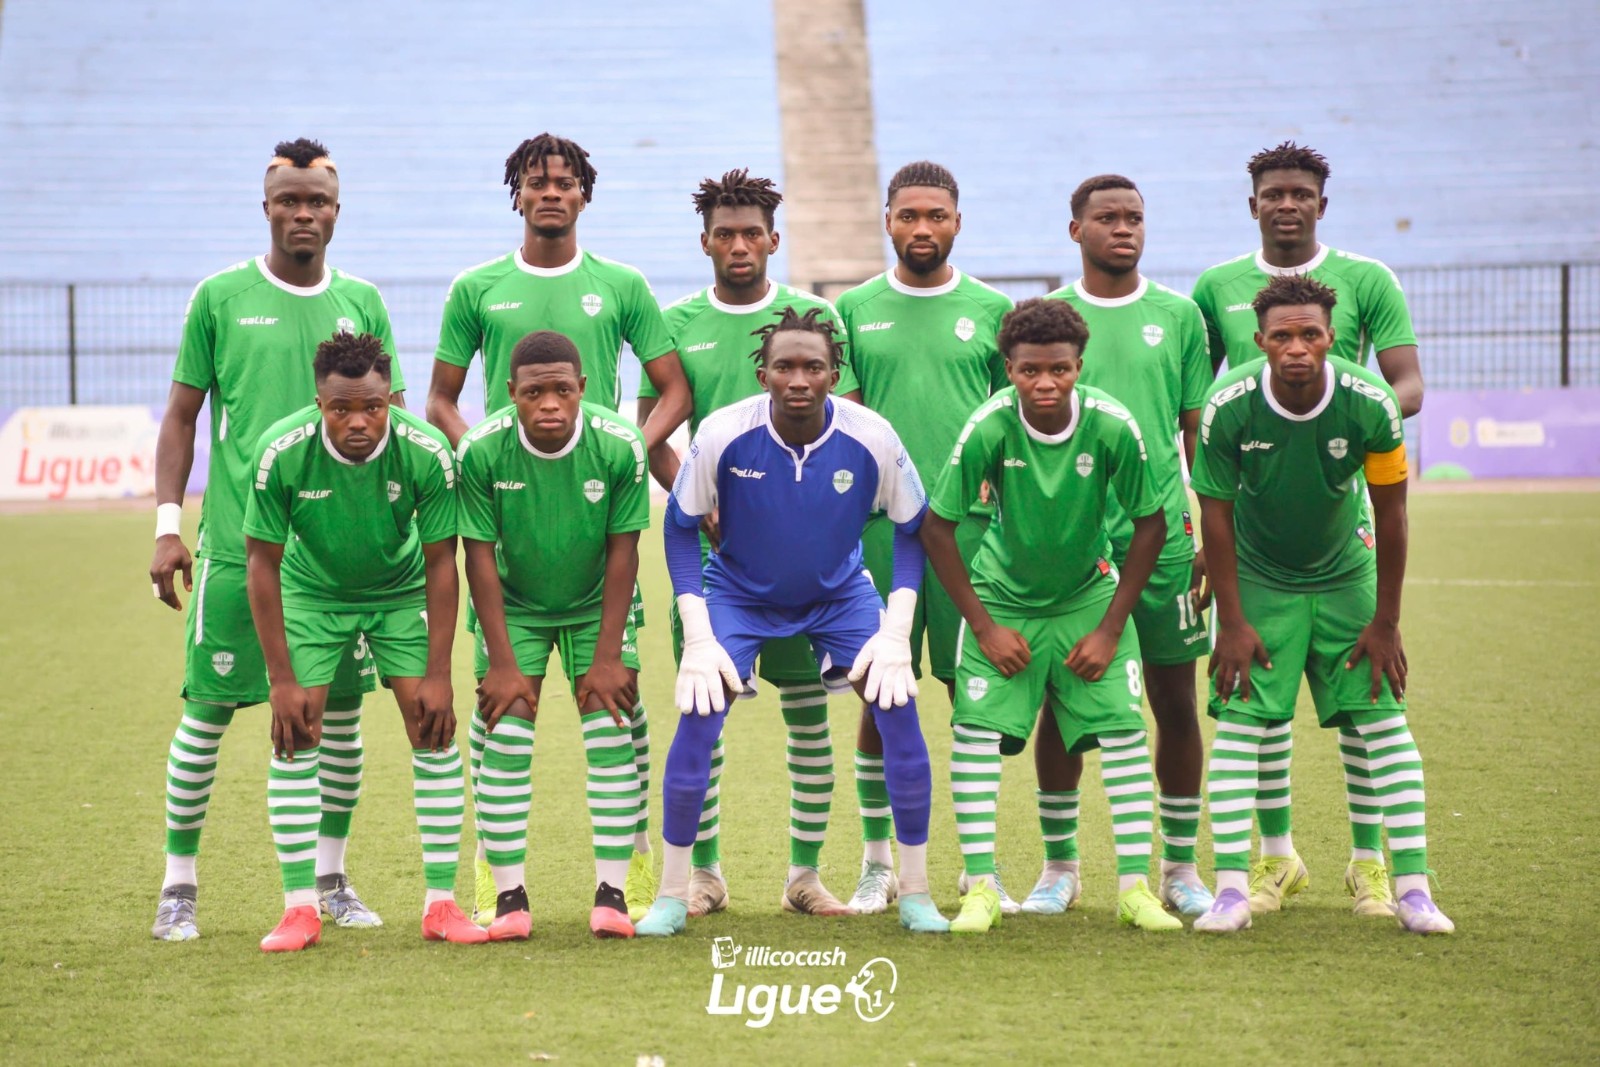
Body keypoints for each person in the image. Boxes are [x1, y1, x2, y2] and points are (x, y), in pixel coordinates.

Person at [148, 138, 403, 941]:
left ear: (337, 211)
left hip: (336, 562)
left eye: (316, 201)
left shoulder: (362, 300)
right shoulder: (220, 296)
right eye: (289, 200)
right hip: (238, 548)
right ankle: (178, 885)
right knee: (208, 715)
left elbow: (389, 422)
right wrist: (167, 525)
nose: (303, 213)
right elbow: (182, 417)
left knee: (340, 721)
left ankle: (330, 879)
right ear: (267, 207)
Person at [425, 132, 684, 920]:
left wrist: (622, 454)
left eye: (564, 182)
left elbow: (673, 389)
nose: (549, 193)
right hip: (512, 522)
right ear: (517, 194)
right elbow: (439, 400)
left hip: (594, 506)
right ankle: (495, 869)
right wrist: (487, 457)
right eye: (535, 182)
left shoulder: (622, 283)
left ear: (583, 195)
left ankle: (628, 864)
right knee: (502, 719)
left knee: (619, 717)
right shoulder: (476, 287)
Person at [634, 307, 948, 936]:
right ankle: (673, 894)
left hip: (839, 594)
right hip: (738, 593)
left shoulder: (872, 435)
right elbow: (679, 526)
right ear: (763, 374)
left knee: (898, 707)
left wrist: (895, 631)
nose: (799, 379)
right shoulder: (723, 432)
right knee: (699, 716)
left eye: (813, 367)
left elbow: (913, 527)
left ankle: (915, 891)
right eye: (785, 367)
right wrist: (699, 635)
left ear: (834, 374)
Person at [1191, 142, 1426, 916]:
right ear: (1252, 203)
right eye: (1273, 193)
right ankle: (1274, 857)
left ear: (1322, 203)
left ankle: (1371, 863)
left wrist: (1354, 415)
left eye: (1300, 193)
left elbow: (1405, 383)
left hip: (1339, 524)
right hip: (1250, 528)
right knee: (1258, 706)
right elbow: (1205, 402)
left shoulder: (1367, 279)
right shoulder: (1216, 287)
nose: (1286, 204)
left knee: (1365, 710)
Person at [636, 169, 861, 918]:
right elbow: (653, 429)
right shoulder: (675, 322)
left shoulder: (816, 317)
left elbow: (847, 427)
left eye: (752, 233)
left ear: (774, 239)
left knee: (808, 714)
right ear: (704, 242)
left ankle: (805, 875)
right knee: (706, 712)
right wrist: (694, 499)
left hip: (803, 556)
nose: (739, 245)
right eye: (725, 234)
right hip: (715, 561)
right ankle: (703, 875)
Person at [922, 298, 1181, 933]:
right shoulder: (989, 426)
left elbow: (1151, 525)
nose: (1045, 383)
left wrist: (1110, 628)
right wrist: (984, 627)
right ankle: (981, 888)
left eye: (1059, 369)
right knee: (976, 736)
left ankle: (1134, 889)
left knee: (1123, 732)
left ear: (1079, 367)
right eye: (1030, 370)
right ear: (1009, 369)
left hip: (1089, 600)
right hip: (1003, 601)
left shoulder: (1112, 424)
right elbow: (937, 528)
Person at [243, 332, 482, 951]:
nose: (358, 421)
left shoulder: (425, 451)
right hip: (312, 594)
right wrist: (281, 679)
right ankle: (299, 908)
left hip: (399, 592)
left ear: (388, 400)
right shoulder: (280, 452)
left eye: (372, 407)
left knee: (433, 728)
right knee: (297, 733)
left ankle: (441, 904)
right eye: (341, 408)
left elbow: (442, 563)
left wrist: (439, 673)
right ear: (318, 403)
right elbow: (262, 564)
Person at [835, 161, 1015, 914]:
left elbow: (1010, 421)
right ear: (887, 220)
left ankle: (980, 869)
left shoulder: (993, 309)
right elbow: (846, 421)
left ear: (957, 222)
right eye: (907, 215)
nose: (921, 228)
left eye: (936, 215)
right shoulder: (853, 308)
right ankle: (879, 865)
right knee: (880, 693)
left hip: (970, 533)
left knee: (971, 696)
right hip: (881, 531)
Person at [1035, 175, 1213, 917]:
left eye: (1134, 217)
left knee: (1176, 700)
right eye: (1106, 217)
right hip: (1072, 543)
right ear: (1075, 230)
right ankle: (1059, 867)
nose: (1123, 228)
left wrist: (1212, 531)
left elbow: (1196, 433)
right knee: (1062, 701)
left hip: (1162, 535)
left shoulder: (1179, 316)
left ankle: (1179, 867)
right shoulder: (1050, 319)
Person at [456, 330, 649, 940]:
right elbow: (478, 557)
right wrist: (503, 663)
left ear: (582, 389)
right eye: (534, 393)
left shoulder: (619, 445)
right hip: (514, 605)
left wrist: (608, 656)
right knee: (506, 730)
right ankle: (505, 891)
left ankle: (616, 889)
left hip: (597, 602)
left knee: (613, 724)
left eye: (562, 391)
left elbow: (624, 551)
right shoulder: (481, 451)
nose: (549, 404)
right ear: (510, 392)